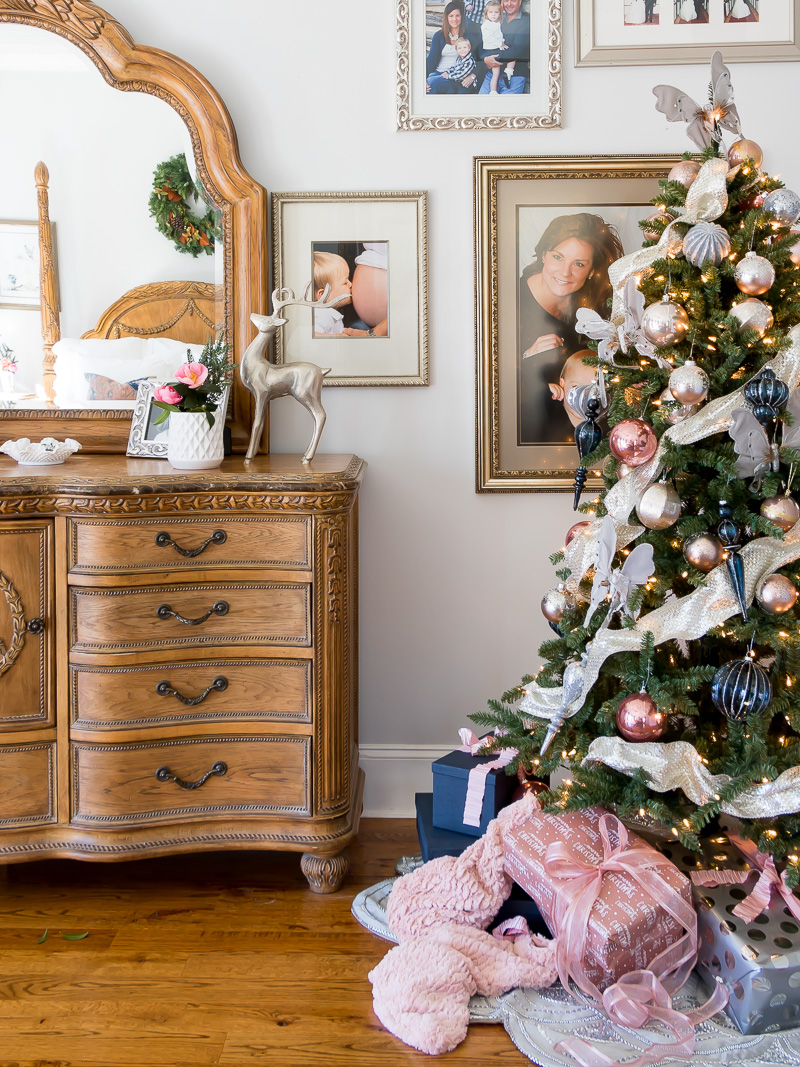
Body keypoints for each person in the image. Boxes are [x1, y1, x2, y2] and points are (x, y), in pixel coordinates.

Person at [518, 213, 623, 444]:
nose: (566, 273)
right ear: (544, 254)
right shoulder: (508, 302)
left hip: (593, 432)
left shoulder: (596, 303)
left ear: (591, 269)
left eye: (578, 264)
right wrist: (526, 359)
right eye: (558, 257)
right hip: (532, 436)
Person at [426, 1, 479, 94]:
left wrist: (473, 75)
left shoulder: (468, 37)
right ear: (446, 17)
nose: (454, 19)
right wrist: (423, 80)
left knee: (433, 82)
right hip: (440, 73)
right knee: (430, 82)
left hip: (458, 75)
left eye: (457, 15)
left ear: (462, 17)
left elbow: (479, 59)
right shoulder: (439, 36)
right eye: (451, 16)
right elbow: (431, 60)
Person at [478, 0, 529, 95]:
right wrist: (485, 58)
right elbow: (482, 43)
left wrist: (494, 59)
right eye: (505, 0)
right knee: (481, 106)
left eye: (513, 0)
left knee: (506, 108)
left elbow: (518, 50)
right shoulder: (496, 20)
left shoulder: (526, 22)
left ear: (520, 1)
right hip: (492, 73)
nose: (509, 4)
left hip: (515, 75)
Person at [312, 251, 352, 336]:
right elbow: (311, 336)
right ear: (323, 294)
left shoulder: (328, 313)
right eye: (345, 283)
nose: (350, 284)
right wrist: (337, 337)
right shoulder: (320, 314)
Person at [481, 3, 515, 94]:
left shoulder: (497, 23)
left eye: (496, 12)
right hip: (491, 50)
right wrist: (501, 44)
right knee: (495, 73)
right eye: (490, 12)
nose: (493, 14)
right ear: (486, 14)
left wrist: (502, 43)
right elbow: (488, 38)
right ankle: (493, 91)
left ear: (500, 14)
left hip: (497, 47)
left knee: (512, 56)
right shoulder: (486, 25)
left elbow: (499, 36)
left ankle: (508, 72)